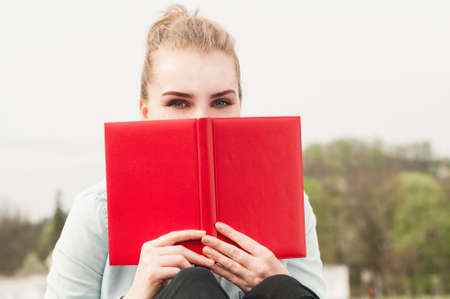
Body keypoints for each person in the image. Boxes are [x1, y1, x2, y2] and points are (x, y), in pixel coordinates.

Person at [44, 4, 327, 299]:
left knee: (281, 288)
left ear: (241, 107)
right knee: (192, 285)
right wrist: (139, 293)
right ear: (145, 112)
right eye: (178, 103)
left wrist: (278, 283)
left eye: (221, 102)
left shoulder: (290, 206)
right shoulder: (97, 211)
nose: (201, 119)